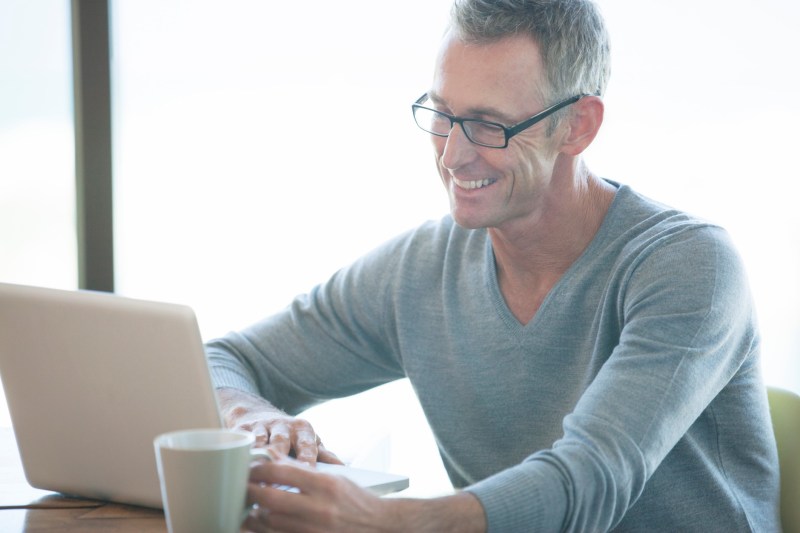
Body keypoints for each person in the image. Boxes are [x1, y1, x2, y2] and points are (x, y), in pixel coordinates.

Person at [205, 0, 781, 530]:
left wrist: (387, 521)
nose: (452, 154)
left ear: (578, 125)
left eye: (487, 125)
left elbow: (590, 481)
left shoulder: (688, 266)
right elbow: (223, 359)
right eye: (441, 113)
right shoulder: (420, 271)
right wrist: (252, 417)